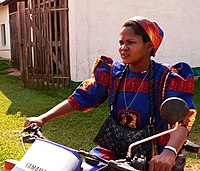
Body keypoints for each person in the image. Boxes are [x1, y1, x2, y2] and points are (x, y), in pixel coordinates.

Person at [24, 16, 197, 171]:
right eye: (121, 42)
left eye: (131, 42)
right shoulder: (112, 71)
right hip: (112, 148)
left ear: (149, 45)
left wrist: (170, 152)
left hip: (153, 155)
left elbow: (184, 118)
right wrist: (43, 118)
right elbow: (82, 97)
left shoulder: (168, 77)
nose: (123, 48)